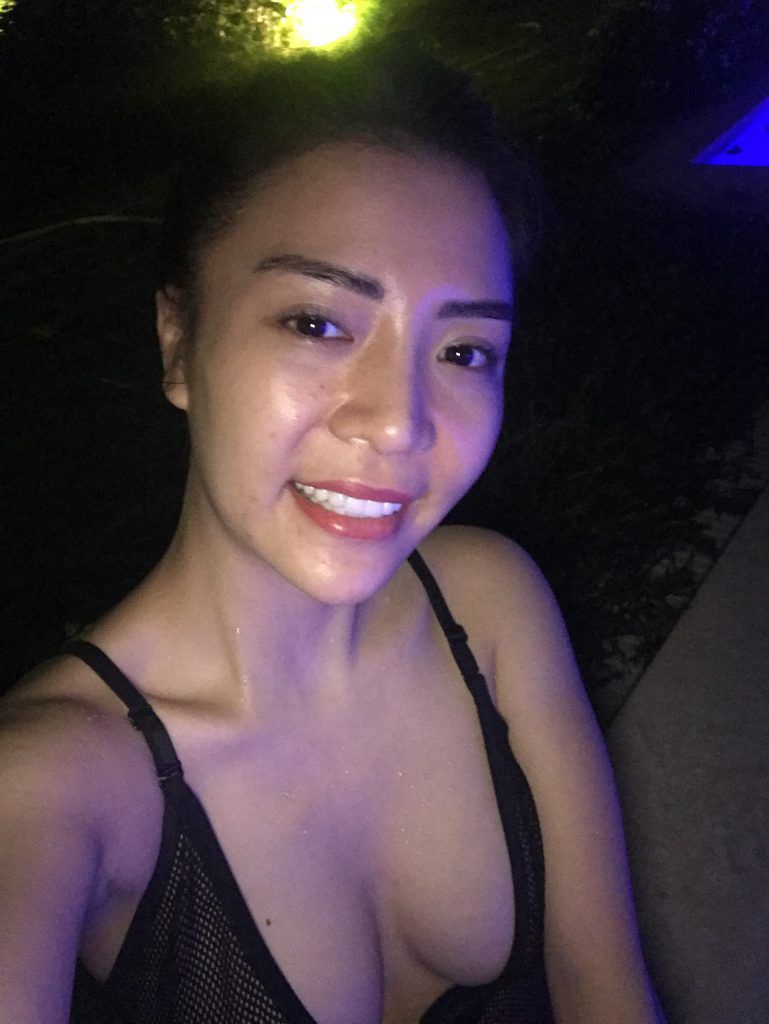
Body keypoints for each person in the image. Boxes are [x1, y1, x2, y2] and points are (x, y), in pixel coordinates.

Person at [0, 38, 665, 1024]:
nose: (398, 424)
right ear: (178, 341)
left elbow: (605, 989)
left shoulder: (488, 604)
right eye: (317, 324)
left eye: (463, 350)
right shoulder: (50, 783)